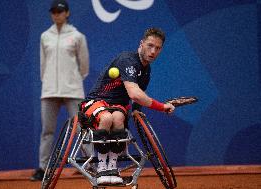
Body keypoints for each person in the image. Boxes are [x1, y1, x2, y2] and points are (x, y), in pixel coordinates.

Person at [80, 28, 175, 185]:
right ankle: (102, 168)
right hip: (96, 101)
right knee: (106, 117)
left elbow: (138, 99)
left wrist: (137, 112)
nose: (153, 51)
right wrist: (162, 107)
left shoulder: (146, 70)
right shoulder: (127, 60)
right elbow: (135, 94)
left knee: (117, 119)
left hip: (118, 106)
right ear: (141, 44)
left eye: (157, 48)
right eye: (150, 45)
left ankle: (112, 167)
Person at [30, 0, 89, 181]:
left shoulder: (77, 36)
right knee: (47, 131)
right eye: (54, 12)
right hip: (49, 91)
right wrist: (49, 82)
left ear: (67, 13)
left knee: (81, 128)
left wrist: (73, 80)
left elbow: (84, 66)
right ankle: (43, 168)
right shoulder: (44, 36)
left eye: (60, 11)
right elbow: (43, 65)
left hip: (73, 90)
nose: (57, 14)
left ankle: (91, 164)